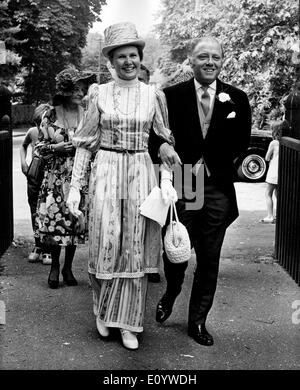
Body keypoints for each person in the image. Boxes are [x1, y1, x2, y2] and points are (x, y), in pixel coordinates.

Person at [66, 22, 177, 350]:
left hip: (141, 173)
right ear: (111, 61)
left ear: (140, 59)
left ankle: (129, 323)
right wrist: (75, 187)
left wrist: (167, 181)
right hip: (107, 172)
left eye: (133, 55)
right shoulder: (97, 93)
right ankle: (103, 311)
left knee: (134, 249)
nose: (128, 61)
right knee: (105, 242)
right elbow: (85, 144)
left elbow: (164, 143)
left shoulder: (152, 95)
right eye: (121, 56)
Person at [150, 36, 252, 346]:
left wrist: (218, 165)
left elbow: (242, 142)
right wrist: (164, 145)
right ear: (191, 61)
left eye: (215, 57)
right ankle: (172, 289)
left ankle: (197, 321)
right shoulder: (171, 96)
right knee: (177, 250)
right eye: (202, 56)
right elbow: (153, 135)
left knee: (210, 258)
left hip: (218, 187)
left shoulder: (237, 98)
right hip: (184, 181)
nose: (209, 62)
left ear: (223, 61)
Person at [34, 67, 96, 289]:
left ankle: (68, 267)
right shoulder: (50, 114)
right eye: (76, 89)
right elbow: (38, 149)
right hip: (55, 177)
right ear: (66, 90)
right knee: (55, 223)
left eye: (83, 89)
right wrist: (55, 147)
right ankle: (54, 268)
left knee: (73, 221)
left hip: (79, 177)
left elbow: (97, 144)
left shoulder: (89, 113)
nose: (80, 93)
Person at [20, 103, 53, 264]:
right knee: (34, 209)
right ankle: (38, 245)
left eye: (43, 123)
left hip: (49, 173)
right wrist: (23, 162)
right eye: (37, 124)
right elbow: (23, 145)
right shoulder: (33, 132)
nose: (40, 127)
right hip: (34, 172)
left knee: (47, 209)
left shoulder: (54, 134)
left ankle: (48, 248)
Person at [260, 121, 282, 224]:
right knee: (278, 194)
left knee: (268, 193)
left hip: (273, 171)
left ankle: (270, 216)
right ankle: (279, 214)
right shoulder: (285, 142)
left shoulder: (274, 143)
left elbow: (267, 157)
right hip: (282, 172)